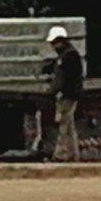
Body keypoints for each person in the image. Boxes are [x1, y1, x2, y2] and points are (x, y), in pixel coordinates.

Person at [43, 25, 86, 162]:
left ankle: (60, 155)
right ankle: (73, 154)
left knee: (64, 125)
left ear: (60, 41)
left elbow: (61, 79)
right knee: (69, 126)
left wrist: (51, 92)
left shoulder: (67, 56)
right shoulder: (69, 54)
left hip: (68, 95)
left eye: (54, 42)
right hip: (72, 94)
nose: (52, 46)